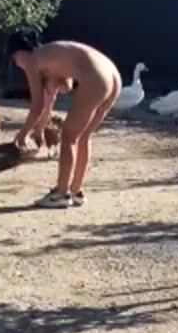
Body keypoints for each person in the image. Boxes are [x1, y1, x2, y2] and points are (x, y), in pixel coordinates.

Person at [12, 40, 121, 208]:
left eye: (14, 60)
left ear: (19, 53)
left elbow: (37, 106)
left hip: (96, 77)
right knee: (83, 136)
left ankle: (60, 194)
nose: (17, 64)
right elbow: (64, 89)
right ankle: (76, 191)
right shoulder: (53, 56)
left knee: (69, 136)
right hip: (113, 76)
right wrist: (39, 129)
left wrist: (23, 134)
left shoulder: (32, 60)